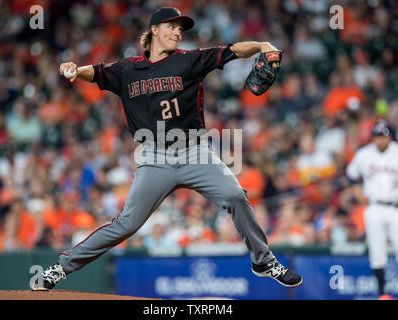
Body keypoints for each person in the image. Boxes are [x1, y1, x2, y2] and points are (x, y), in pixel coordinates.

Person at [32, 7, 302, 291]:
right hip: (155, 157)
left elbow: (233, 50)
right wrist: (76, 70)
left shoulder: (190, 60)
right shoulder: (127, 69)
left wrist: (261, 45)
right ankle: (60, 269)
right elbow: (97, 73)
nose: (177, 33)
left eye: (180, 29)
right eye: (172, 27)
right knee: (126, 224)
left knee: (235, 195)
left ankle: (263, 261)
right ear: (154, 31)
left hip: (195, 152)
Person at [346, 119, 398, 300]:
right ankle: (383, 294)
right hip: (374, 207)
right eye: (377, 136)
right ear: (373, 137)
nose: (381, 140)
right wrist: (357, 192)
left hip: (395, 208)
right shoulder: (364, 154)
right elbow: (351, 174)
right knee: (377, 252)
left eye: (384, 136)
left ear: (390, 136)